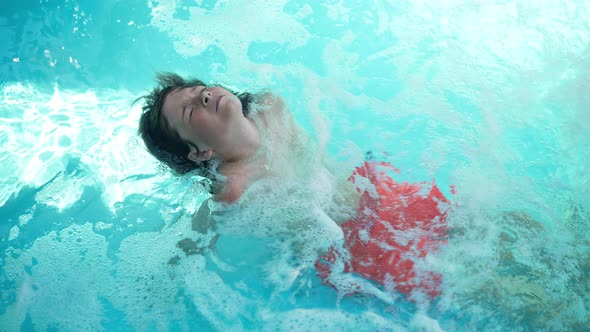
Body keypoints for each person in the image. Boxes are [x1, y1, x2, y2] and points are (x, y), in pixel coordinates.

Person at [137, 73, 450, 301]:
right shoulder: (235, 190)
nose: (204, 96)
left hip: (372, 192)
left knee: (481, 227)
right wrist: (169, 273)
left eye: (200, 89)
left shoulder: (271, 108)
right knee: (474, 287)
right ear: (200, 152)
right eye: (191, 111)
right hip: (356, 247)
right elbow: (201, 234)